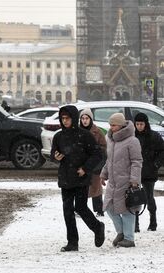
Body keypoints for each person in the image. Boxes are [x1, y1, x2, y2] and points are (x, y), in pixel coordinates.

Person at [51, 105, 105, 252]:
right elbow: (53, 154)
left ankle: (97, 227)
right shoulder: (58, 136)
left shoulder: (85, 135)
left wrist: (86, 168)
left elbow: (97, 155)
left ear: (73, 118)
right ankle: (72, 242)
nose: (65, 121)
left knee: (80, 208)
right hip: (65, 178)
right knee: (67, 210)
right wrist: (56, 157)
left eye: (67, 118)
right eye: (62, 118)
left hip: (80, 177)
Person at [101, 113, 143, 247]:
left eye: (113, 125)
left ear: (121, 125)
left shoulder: (132, 141)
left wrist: (134, 179)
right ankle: (121, 233)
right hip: (113, 182)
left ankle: (129, 238)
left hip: (127, 182)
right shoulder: (111, 139)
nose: (111, 127)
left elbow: (137, 161)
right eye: (110, 125)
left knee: (126, 210)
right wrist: (104, 174)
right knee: (109, 207)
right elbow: (109, 160)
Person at [134, 112, 164, 232]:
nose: (139, 126)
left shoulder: (154, 136)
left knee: (149, 197)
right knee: (134, 198)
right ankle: (135, 223)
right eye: (137, 124)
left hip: (149, 171)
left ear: (146, 124)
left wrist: (155, 164)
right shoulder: (132, 136)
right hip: (135, 172)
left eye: (141, 124)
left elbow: (162, 151)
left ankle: (153, 221)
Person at [79, 108, 107, 217]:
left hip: (95, 164)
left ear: (91, 119)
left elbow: (104, 147)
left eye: (87, 118)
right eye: (82, 118)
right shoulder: (77, 130)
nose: (84, 121)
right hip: (81, 164)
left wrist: (95, 150)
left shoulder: (97, 131)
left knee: (96, 187)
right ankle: (80, 208)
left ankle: (99, 209)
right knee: (81, 188)